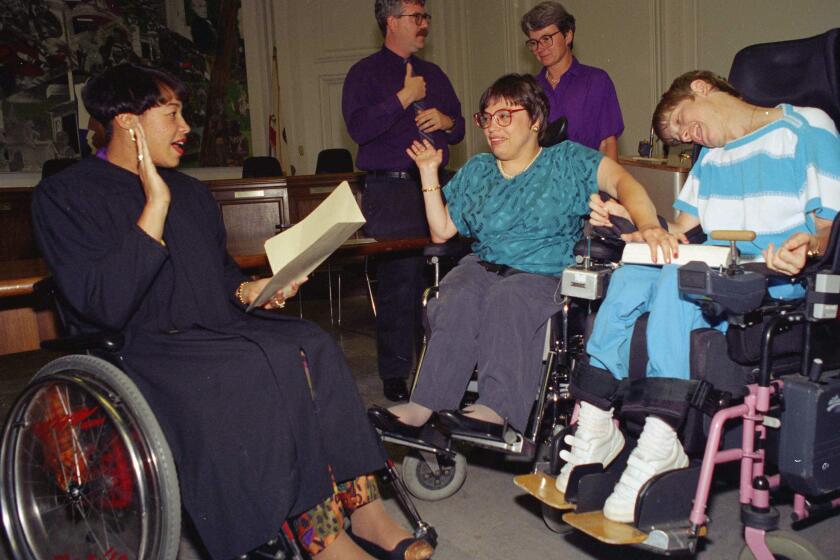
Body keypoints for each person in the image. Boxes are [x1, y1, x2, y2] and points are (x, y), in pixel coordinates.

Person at [32, 64, 434, 560]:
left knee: (313, 343)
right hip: (143, 346)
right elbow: (101, 303)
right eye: (173, 115)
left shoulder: (194, 194)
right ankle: (323, 537)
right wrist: (153, 205)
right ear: (127, 122)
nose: (185, 128)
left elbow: (220, 277)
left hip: (214, 328)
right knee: (252, 370)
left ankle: (366, 511)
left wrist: (257, 288)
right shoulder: (66, 196)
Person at [562, 70, 840, 524]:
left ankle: (663, 435)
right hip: (714, 272)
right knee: (632, 273)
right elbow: (677, 234)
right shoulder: (710, 159)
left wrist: (803, 248)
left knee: (679, 279)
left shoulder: (807, 127)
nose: (687, 137)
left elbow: (828, 232)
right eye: (679, 137)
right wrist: (627, 221)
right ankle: (595, 423)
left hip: (775, 280)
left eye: (683, 123)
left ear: (702, 88)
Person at [375, 73, 675, 439]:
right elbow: (442, 231)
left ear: (535, 120)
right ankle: (426, 404)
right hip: (483, 266)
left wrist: (648, 224)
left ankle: (496, 407)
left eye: (505, 115)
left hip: (542, 273)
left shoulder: (566, 161)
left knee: (508, 296)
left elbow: (624, 182)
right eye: (486, 117)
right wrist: (427, 173)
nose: (492, 127)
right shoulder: (478, 170)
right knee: (456, 295)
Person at [342, 0, 465, 403]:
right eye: (417, 17)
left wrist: (446, 122)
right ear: (391, 22)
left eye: (426, 17)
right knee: (400, 284)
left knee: (449, 281)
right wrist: (404, 96)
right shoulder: (364, 73)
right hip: (391, 191)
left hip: (436, 186)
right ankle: (396, 373)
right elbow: (359, 128)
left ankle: (444, 366)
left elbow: (461, 126)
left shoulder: (435, 73)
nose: (425, 25)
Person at [520, 1, 623, 160]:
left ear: (568, 35)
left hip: (585, 181)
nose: (540, 48)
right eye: (534, 42)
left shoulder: (596, 82)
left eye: (546, 39)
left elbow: (607, 145)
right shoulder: (528, 89)